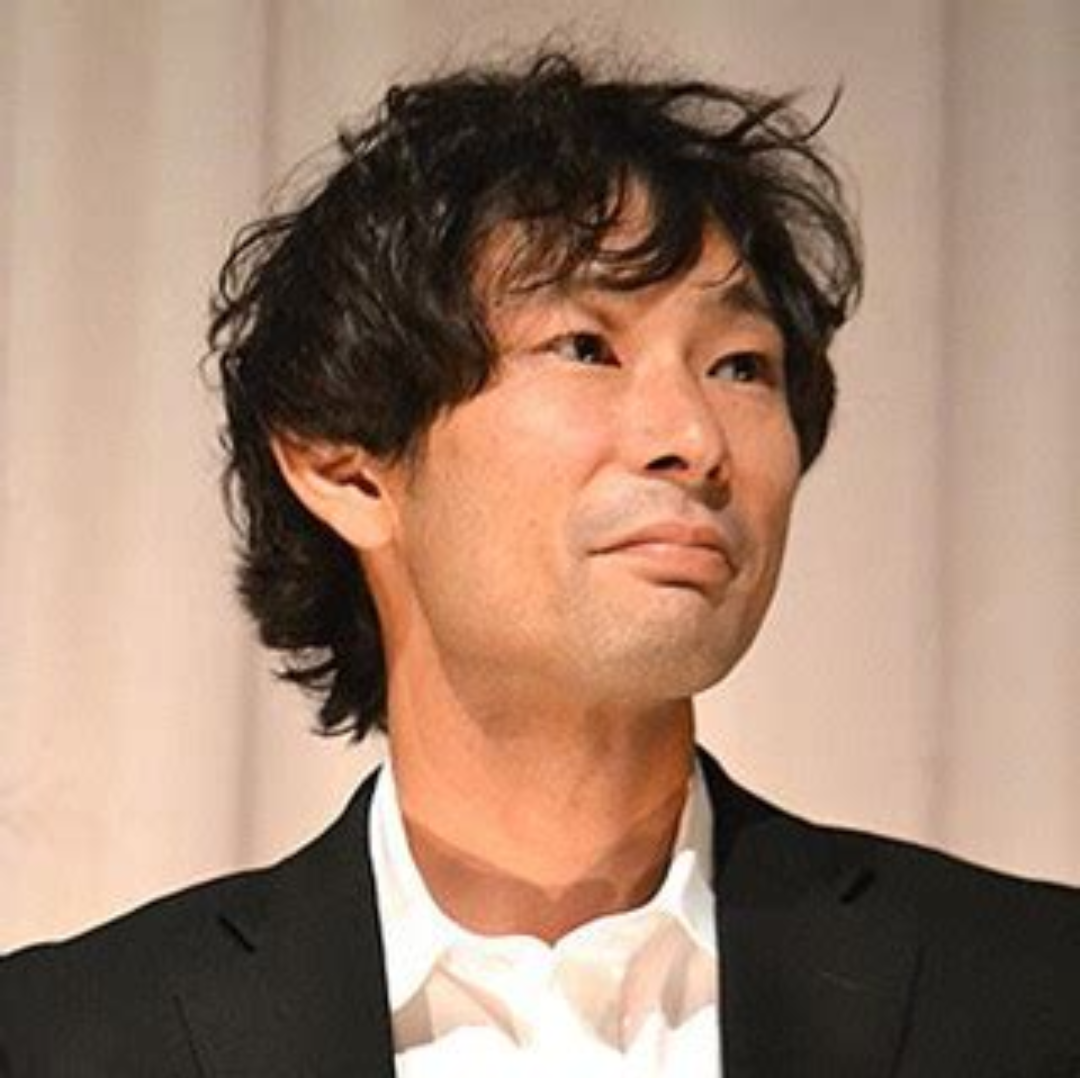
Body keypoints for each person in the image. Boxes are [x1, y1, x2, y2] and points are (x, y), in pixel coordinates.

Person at [2, 50, 1078, 1077]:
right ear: (347, 465)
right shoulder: (70, 1041)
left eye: (741, 365)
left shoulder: (1032, 995)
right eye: (587, 348)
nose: (694, 439)